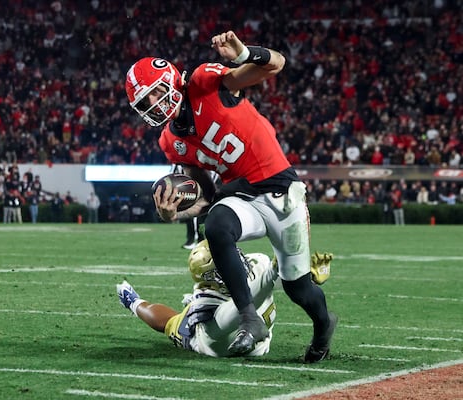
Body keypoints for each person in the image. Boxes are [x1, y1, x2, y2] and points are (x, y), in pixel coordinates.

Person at [125, 30, 337, 361]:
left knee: (298, 288)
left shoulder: (202, 82)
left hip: (281, 191)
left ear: (173, 81)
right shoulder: (170, 141)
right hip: (243, 196)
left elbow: (276, 64)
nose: (155, 104)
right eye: (145, 103)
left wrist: (242, 54)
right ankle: (249, 317)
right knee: (217, 223)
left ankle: (324, 325)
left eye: (156, 93)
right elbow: (205, 199)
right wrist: (173, 216)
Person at [117, 240, 333, 357]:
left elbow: (274, 283)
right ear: (212, 277)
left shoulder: (257, 264)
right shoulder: (210, 316)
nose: (236, 262)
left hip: (246, 318)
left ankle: (134, 302)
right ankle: (134, 302)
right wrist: (275, 271)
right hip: (208, 343)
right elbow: (236, 311)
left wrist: (305, 276)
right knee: (171, 323)